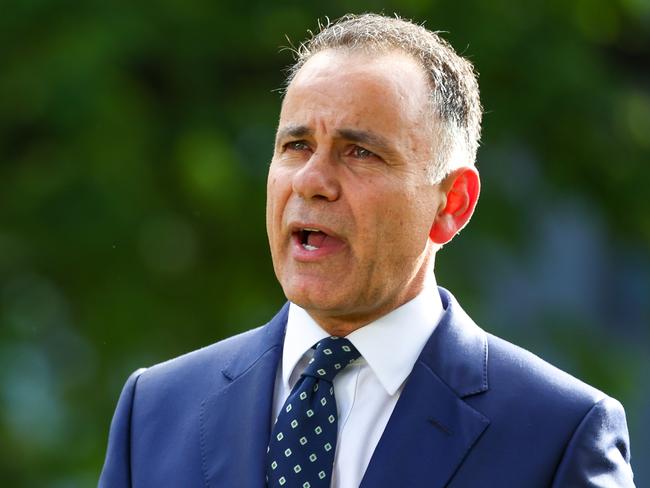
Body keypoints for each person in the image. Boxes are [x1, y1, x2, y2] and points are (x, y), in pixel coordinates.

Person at [99, 13, 634, 488]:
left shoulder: (558, 435)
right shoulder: (155, 410)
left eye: (360, 152)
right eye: (296, 146)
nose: (311, 181)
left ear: (452, 202)